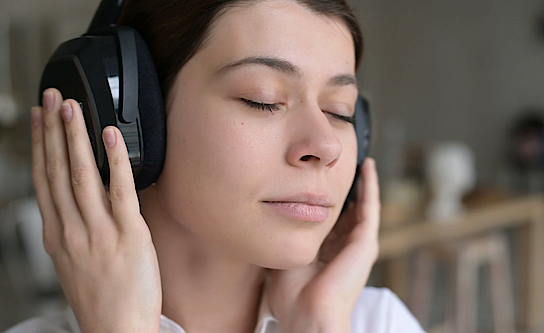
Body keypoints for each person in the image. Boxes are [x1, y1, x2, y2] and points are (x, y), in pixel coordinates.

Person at [6, 0, 426, 332]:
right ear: (126, 114)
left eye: (341, 111)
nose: (326, 145)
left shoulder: (378, 323)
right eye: (261, 99)